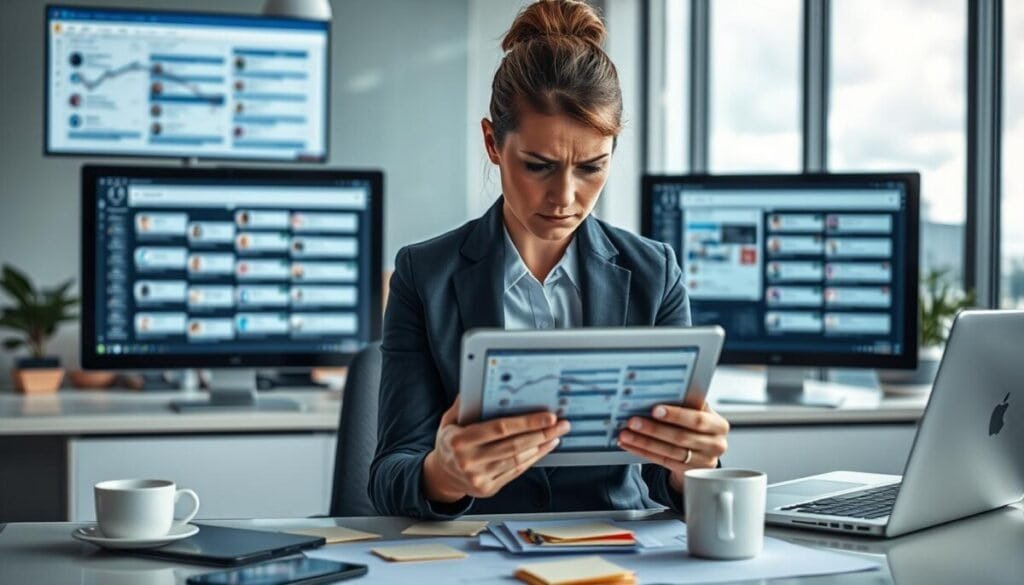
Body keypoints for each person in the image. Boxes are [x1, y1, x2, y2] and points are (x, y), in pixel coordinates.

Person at [369, 0, 729, 519]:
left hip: (617, 557)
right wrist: (441, 475)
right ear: (493, 142)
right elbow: (388, 475)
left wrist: (695, 464)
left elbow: (667, 480)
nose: (565, 197)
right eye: (539, 166)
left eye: (591, 168)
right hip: (475, 554)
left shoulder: (655, 274)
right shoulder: (424, 276)